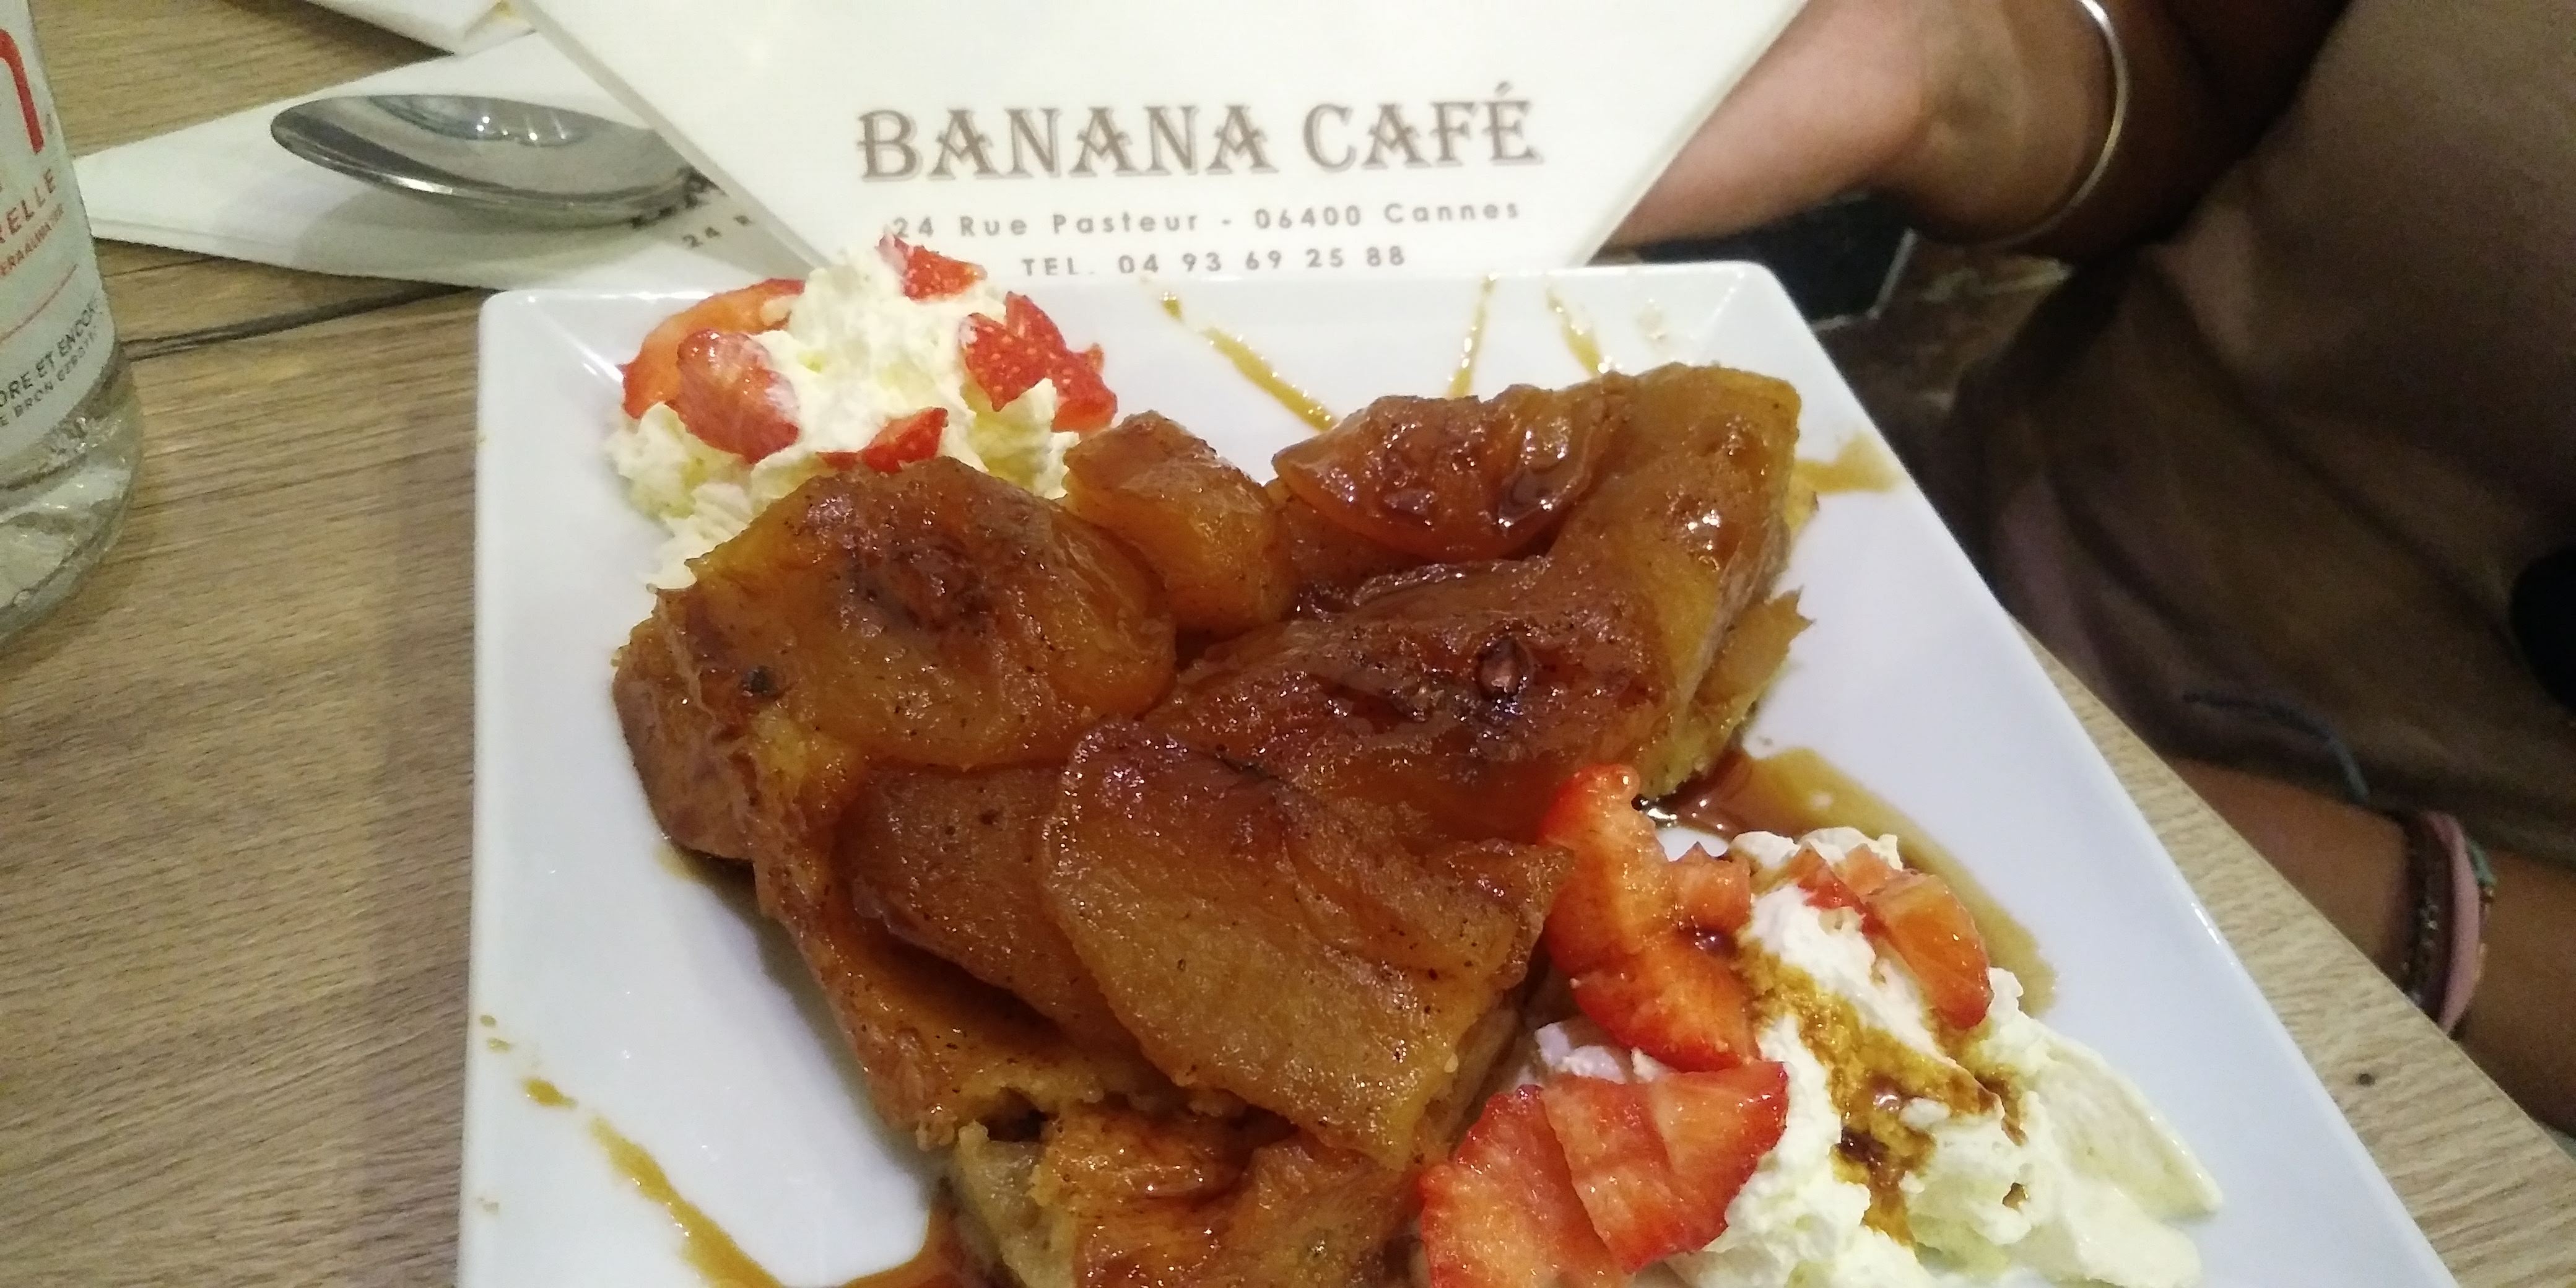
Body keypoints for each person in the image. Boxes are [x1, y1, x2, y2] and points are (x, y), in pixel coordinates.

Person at [1614, 0, 2574, 1131]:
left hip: (2433, 1017)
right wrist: (1945, 67)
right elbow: (2193, 71)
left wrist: (2408, 913)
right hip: (1950, 537)